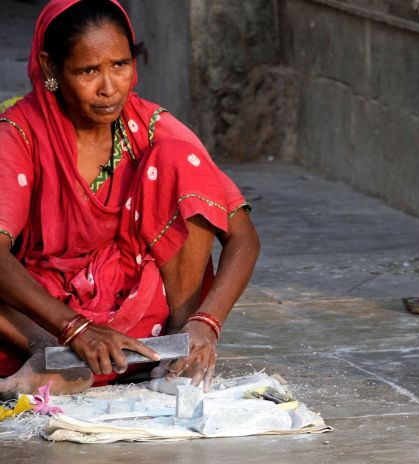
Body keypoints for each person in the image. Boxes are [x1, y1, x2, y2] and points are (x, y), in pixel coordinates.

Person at [0, 0, 260, 395]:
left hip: (137, 309)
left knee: (178, 160)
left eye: (120, 66)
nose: (109, 88)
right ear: (51, 68)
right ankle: (48, 355)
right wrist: (74, 329)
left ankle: (173, 356)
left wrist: (205, 324)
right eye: (88, 71)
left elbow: (242, 234)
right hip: (41, 315)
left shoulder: (150, 123)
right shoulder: (20, 133)